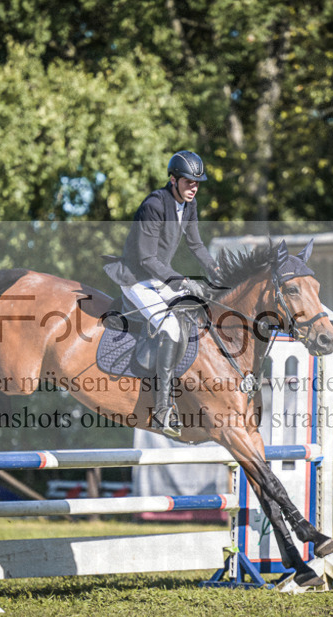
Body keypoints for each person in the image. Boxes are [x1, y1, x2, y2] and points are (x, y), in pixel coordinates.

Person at [103, 150, 221, 438]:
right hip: (136, 279)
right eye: (189, 182)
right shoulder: (154, 205)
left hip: (158, 278)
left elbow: (196, 244)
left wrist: (216, 268)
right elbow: (145, 258)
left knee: (189, 317)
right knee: (169, 326)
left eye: (197, 183)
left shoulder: (189, 205)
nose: (194, 187)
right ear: (173, 180)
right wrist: (180, 280)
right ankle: (161, 411)